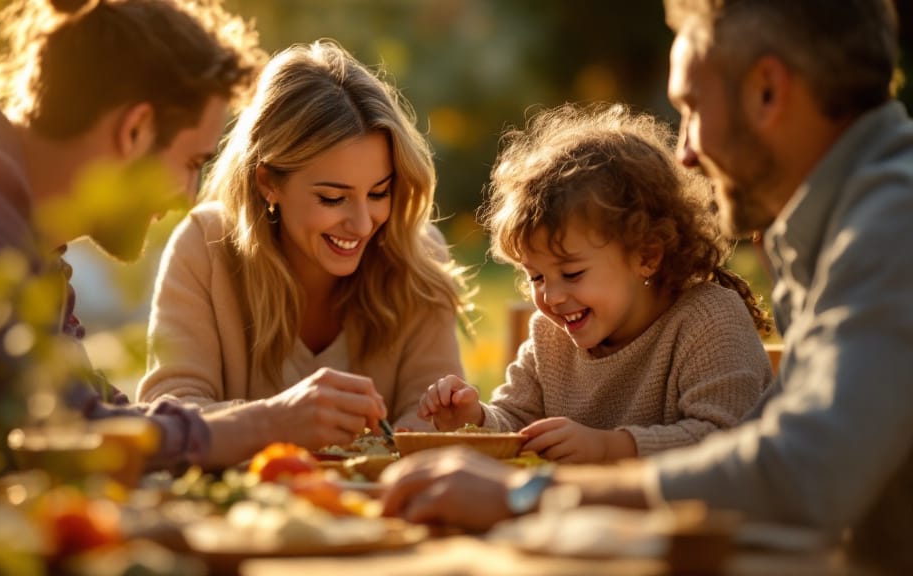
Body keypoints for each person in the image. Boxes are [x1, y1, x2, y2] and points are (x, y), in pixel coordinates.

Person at [382, 0, 913, 571]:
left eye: (690, 106)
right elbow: (761, 458)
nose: (684, 151)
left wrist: (525, 498)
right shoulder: (845, 227)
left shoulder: (892, 227)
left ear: (767, 91)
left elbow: (800, 472)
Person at [0, 0, 266, 470]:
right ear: (137, 129)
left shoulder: (22, 223)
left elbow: (97, 411)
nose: (189, 199)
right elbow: (58, 433)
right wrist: (262, 427)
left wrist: (261, 422)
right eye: (192, 163)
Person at [136, 40, 471, 456]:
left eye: (379, 192)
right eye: (333, 198)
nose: (364, 224)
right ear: (268, 183)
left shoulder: (417, 255)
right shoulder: (203, 247)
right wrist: (279, 421)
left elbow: (435, 422)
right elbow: (168, 418)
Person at [417, 103, 772, 464]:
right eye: (536, 276)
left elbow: (728, 441)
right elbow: (515, 425)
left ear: (647, 256)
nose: (552, 297)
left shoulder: (709, 321)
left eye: (571, 273)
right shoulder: (549, 339)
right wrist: (474, 420)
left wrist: (609, 448)